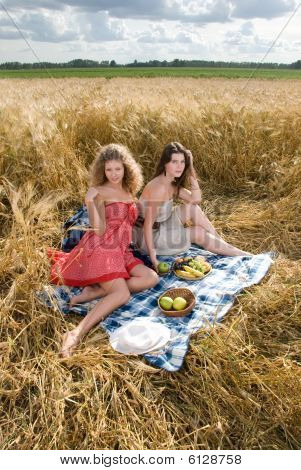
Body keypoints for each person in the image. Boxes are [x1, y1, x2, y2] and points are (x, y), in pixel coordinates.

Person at [49, 144, 159, 357]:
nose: (114, 174)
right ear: (102, 170)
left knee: (151, 277)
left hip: (121, 251)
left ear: (126, 168)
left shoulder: (129, 190)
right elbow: (98, 230)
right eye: (109, 170)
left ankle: (98, 291)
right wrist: (89, 202)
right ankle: (75, 334)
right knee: (122, 293)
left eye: (118, 169)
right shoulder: (99, 192)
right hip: (101, 247)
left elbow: (130, 220)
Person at [132, 142, 252, 271]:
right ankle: (244, 255)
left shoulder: (170, 181)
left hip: (163, 224)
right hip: (150, 237)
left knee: (193, 208)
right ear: (165, 163)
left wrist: (191, 168)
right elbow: (147, 226)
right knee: (198, 232)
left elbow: (195, 200)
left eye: (182, 162)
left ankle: (222, 245)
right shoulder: (159, 189)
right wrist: (154, 259)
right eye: (174, 162)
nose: (179, 167)